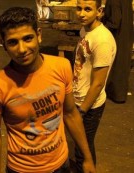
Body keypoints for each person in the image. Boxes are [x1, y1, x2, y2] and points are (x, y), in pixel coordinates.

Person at [0, 7, 96, 173]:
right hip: (21, 169)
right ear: (4, 45)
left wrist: (87, 158)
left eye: (28, 38)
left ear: (39, 35)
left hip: (61, 164)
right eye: (13, 42)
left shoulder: (62, 66)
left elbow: (71, 113)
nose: (22, 49)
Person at [73, 0, 116, 172]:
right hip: (78, 98)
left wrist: (82, 110)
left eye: (88, 9)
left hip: (89, 105)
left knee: (84, 149)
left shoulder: (102, 40)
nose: (82, 13)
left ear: (99, 11)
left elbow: (98, 84)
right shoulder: (85, 30)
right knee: (79, 145)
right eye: (79, 8)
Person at [102, 0, 133, 103]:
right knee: (122, 64)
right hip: (126, 34)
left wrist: (101, 24)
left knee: (116, 64)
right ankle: (120, 94)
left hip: (117, 37)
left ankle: (115, 94)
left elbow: (114, 22)